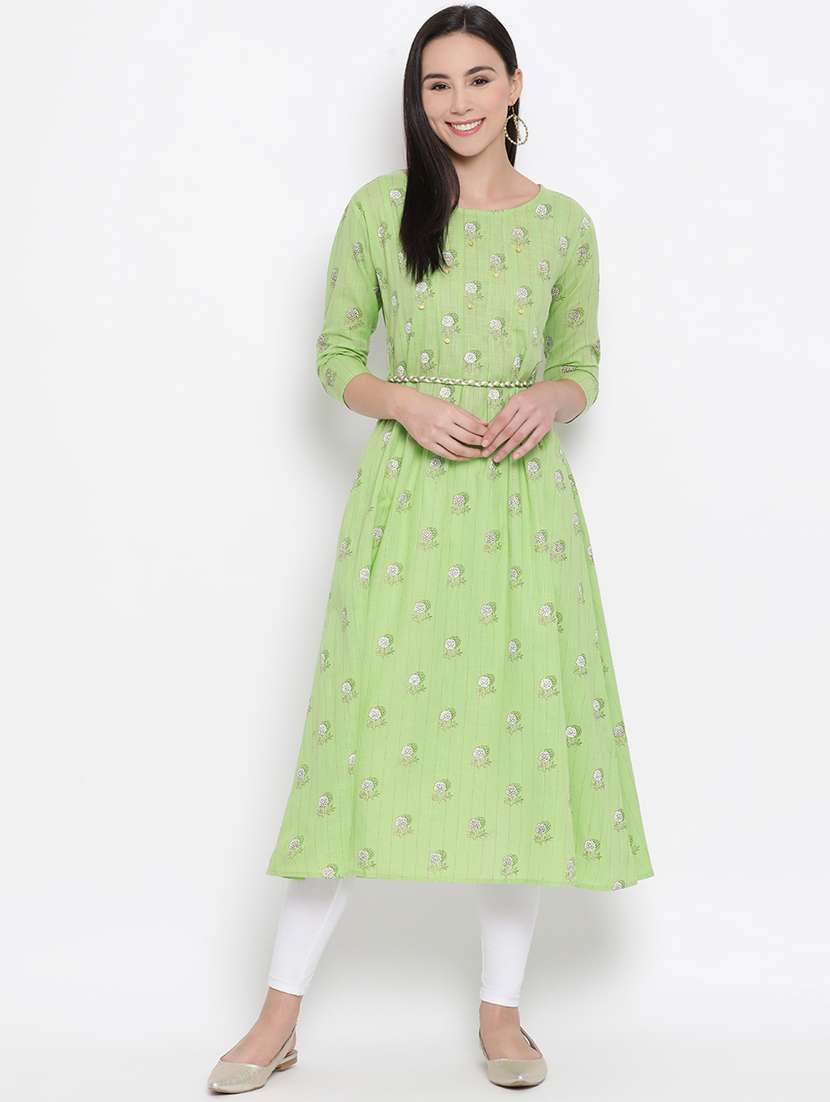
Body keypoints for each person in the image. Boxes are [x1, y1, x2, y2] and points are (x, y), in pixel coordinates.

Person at [207, 4, 654, 1093]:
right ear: (417, 99)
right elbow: (333, 357)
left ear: (514, 86)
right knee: (352, 749)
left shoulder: (564, 225)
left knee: (520, 747)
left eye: (477, 78)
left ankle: (502, 1016)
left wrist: (550, 399)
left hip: (522, 509)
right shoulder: (379, 210)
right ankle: (277, 1016)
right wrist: (405, 403)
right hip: (406, 508)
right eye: (436, 84)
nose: (457, 103)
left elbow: (582, 364)